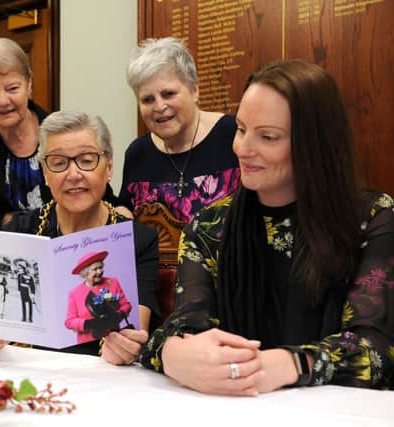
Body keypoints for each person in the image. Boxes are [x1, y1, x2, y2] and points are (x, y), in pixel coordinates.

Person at [140, 59, 394, 394]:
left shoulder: (373, 216)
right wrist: (172, 353)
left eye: (268, 137)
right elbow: (185, 326)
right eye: (242, 129)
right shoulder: (208, 227)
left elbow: (375, 347)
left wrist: (290, 364)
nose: (243, 149)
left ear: (313, 144)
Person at [0, 111, 160, 364]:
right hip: (26, 373)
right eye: (58, 163)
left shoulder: (137, 241)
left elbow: (132, 332)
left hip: (101, 376)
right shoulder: (18, 231)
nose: (73, 174)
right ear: (45, 173)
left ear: (109, 167)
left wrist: (126, 347)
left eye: (87, 160)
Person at [0, 37, 120, 230]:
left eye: (12, 88)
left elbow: (100, 194)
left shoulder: (58, 132)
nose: (2, 101)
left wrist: (121, 211)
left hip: (65, 243)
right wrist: (11, 222)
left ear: (29, 84)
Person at [118, 37, 239, 224]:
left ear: (194, 90)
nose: (159, 106)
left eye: (168, 94)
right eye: (148, 99)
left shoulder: (233, 135)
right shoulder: (137, 154)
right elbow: (125, 210)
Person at [65, 251, 132, 344]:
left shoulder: (113, 282)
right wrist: (89, 323)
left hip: (114, 339)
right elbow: (69, 322)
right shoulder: (75, 293)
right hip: (88, 343)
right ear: (85, 273)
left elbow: (126, 304)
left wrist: (120, 314)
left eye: (101, 267)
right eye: (95, 269)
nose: (100, 271)